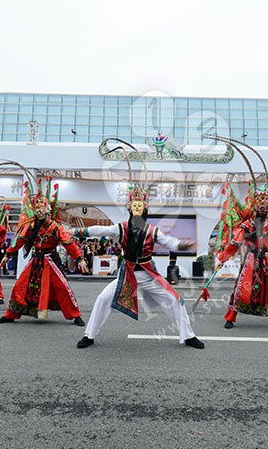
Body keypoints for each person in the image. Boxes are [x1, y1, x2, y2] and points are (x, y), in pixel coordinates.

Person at [74, 141, 204, 349]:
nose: (137, 208)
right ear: (129, 207)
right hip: (127, 274)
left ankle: (188, 335)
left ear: (145, 209)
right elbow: (102, 230)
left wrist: (185, 246)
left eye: (140, 205)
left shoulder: (153, 231)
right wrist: (78, 232)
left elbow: (170, 242)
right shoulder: (122, 228)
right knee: (102, 298)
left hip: (147, 272)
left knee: (175, 300)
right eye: (134, 205)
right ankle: (89, 335)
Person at [214, 174, 268, 331]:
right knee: (241, 289)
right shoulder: (246, 225)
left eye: (265, 205)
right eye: (259, 205)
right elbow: (235, 243)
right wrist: (223, 258)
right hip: (250, 261)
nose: (262, 208)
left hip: (267, 261)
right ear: (254, 207)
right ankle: (230, 317)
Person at [0, 176, 87, 323]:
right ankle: (10, 315)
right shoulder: (31, 227)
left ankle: (75, 316)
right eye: (37, 209)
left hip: (51, 261)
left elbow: (68, 243)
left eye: (42, 209)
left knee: (62, 288)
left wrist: (79, 258)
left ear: (48, 211)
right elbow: (20, 240)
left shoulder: (55, 227)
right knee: (20, 286)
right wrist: (8, 254)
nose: (39, 212)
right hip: (36, 260)